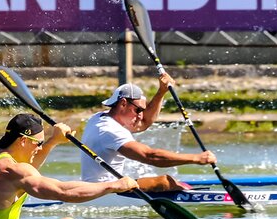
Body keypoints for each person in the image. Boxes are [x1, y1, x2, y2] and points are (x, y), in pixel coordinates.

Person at [0, 113, 137, 219]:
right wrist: (113, 185)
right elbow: (64, 192)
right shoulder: (13, 170)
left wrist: (53, 141)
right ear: (23, 140)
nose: (39, 148)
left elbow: (27, 167)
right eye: (38, 143)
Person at [80, 74, 217, 191]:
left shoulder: (100, 117)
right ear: (123, 104)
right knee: (165, 182)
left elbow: (144, 122)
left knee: (170, 183)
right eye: (138, 110)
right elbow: (149, 156)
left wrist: (162, 91)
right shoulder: (110, 130)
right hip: (104, 191)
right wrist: (196, 158)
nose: (141, 116)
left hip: (103, 187)